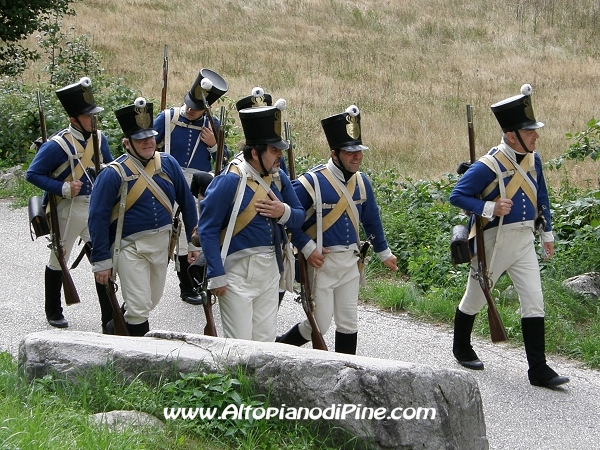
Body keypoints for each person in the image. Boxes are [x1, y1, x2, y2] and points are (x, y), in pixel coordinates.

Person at [449, 84, 569, 388]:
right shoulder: (488, 165)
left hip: (524, 240)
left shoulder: (533, 159)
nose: (536, 135)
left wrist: (548, 232)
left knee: (534, 301)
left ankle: (538, 369)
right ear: (512, 135)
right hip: (494, 241)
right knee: (475, 299)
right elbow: (458, 195)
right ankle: (461, 347)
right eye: (530, 131)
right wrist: (490, 206)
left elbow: (542, 196)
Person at [277, 105, 398, 355]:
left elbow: (372, 220)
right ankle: (280, 348)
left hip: (350, 263)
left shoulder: (362, 182)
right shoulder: (310, 183)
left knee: (348, 322)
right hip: (321, 264)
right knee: (318, 325)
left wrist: (384, 253)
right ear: (335, 153)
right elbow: (288, 219)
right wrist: (308, 248)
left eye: (358, 152)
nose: (357, 157)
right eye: (350, 152)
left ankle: (346, 371)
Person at [88, 97, 199, 336]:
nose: (148, 142)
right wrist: (101, 261)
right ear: (127, 143)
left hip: (162, 247)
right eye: (141, 139)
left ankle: (112, 333)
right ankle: (137, 363)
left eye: (150, 137)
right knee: (139, 309)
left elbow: (188, 203)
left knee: (148, 301)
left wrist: (193, 243)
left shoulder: (168, 164)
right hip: (130, 249)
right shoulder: (113, 174)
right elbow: (96, 218)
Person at [197, 101, 304, 342]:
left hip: (270, 271)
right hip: (236, 274)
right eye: (274, 151)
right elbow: (208, 228)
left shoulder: (278, 178)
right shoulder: (230, 180)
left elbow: (298, 216)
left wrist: (282, 211)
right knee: (239, 347)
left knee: (265, 344)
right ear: (255, 153)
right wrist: (217, 274)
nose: (279, 156)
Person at [25, 77, 114, 331]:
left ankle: (109, 316)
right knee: (58, 260)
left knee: (103, 261)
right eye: (88, 116)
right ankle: (53, 310)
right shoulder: (58, 144)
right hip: (68, 209)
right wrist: (63, 188)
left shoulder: (99, 138)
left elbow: (108, 167)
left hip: (94, 208)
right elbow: (33, 174)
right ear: (75, 119)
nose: (93, 120)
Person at [153, 68, 228, 305]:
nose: (189, 109)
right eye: (189, 104)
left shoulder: (212, 125)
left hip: (197, 185)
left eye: (196, 107)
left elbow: (224, 160)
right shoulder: (168, 118)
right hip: (168, 180)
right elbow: (145, 145)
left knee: (192, 235)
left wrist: (215, 144)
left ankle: (189, 285)